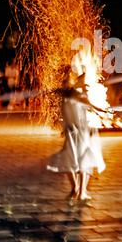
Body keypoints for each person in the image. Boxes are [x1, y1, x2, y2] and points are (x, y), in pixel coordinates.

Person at [47, 68, 106, 200]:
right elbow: (91, 106)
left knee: (70, 159)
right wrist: (102, 111)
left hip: (70, 131)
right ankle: (81, 191)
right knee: (85, 160)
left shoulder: (65, 95)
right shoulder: (78, 95)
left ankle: (76, 189)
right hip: (81, 131)